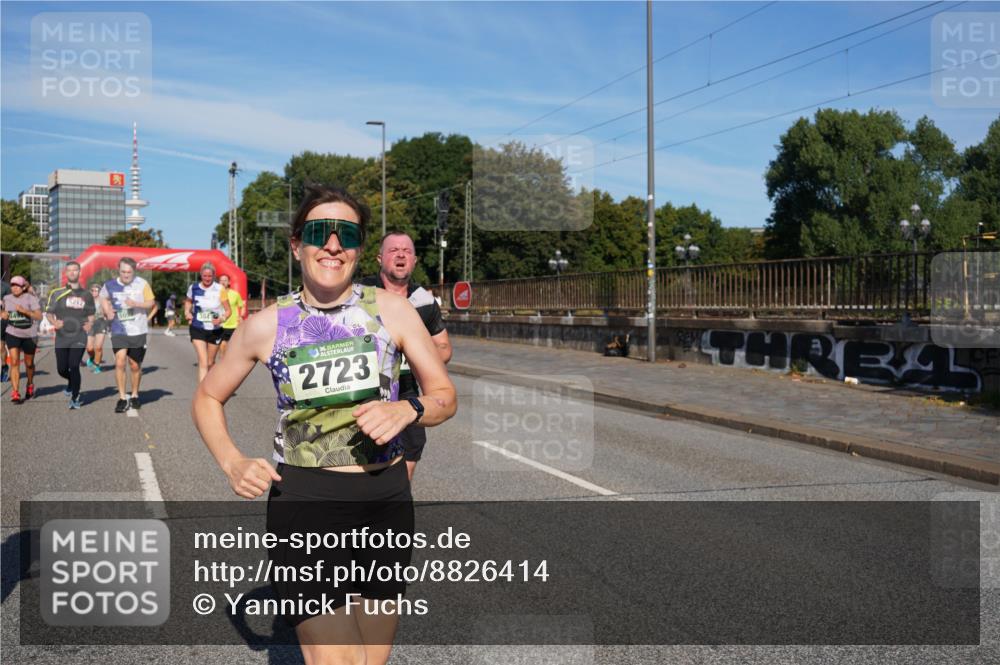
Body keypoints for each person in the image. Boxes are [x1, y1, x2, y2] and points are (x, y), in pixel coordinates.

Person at [191, 185, 456, 665]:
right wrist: (231, 461)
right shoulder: (266, 324)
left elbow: (444, 396)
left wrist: (408, 409)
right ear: (297, 244)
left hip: (387, 502)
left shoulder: (391, 310)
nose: (333, 245)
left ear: (358, 248)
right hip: (307, 504)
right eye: (318, 232)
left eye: (347, 235)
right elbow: (208, 395)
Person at [360, 231, 452, 482]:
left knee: (409, 456)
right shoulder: (360, 292)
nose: (401, 254)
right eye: (393, 250)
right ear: (380, 258)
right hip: (365, 389)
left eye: (407, 251)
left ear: (414, 261)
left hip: (407, 389)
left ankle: (393, 509)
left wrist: (416, 358)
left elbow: (443, 346)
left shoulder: (423, 301)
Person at [100, 257, 155, 413]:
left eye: (129, 272)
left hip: (138, 329)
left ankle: (135, 394)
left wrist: (136, 304)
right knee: (120, 361)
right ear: (119, 270)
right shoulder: (110, 284)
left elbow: (151, 302)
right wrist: (107, 310)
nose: (126, 275)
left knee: (135, 365)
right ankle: (122, 398)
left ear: (134, 271)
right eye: (123, 272)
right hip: (118, 328)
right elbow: (103, 297)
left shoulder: (142, 284)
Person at [45, 261, 96, 409]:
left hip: (79, 335)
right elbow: (49, 313)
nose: (73, 272)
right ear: (66, 273)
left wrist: (90, 324)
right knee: (62, 369)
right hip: (61, 336)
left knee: (74, 365)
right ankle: (71, 382)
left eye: (75, 270)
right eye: (70, 270)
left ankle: (75, 396)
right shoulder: (57, 293)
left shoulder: (87, 294)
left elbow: (92, 314)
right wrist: (54, 323)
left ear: (80, 273)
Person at [184, 263, 231, 383]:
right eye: (204, 276)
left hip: (215, 329)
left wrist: (221, 319)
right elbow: (188, 302)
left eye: (210, 276)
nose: (207, 278)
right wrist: (187, 312)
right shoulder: (193, 288)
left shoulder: (220, 289)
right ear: (201, 275)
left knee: (210, 363)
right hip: (197, 328)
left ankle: (212, 384)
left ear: (214, 276)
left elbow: (228, 311)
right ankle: (202, 392)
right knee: (203, 361)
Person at [1, 275, 43, 403]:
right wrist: (3, 314)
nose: (14, 288)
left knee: (29, 364)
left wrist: (25, 311)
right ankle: (15, 392)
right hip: (12, 333)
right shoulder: (6, 298)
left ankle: (30, 384)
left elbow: (39, 316)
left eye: (17, 286)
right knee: (14, 361)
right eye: (12, 285)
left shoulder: (31, 298)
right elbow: (3, 312)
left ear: (23, 287)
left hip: (29, 334)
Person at [217, 274, 245, 358]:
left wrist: (241, 316)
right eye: (221, 280)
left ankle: (228, 360)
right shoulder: (215, 294)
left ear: (229, 282)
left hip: (233, 324)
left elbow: (242, 306)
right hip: (220, 323)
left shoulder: (235, 294)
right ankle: (223, 361)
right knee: (222, 345)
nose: (223, 282)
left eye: (225, 280)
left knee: (230, 345)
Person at [85, 283, 108, 373]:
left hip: (101, 323)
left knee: (98, 347)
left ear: (100, 292)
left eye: (96, 290)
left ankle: (97, 365)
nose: (94, 292)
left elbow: (107, 311)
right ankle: (92, 358)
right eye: (92, 290)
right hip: (90, 324)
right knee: (89, 348)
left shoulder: (102, 300)